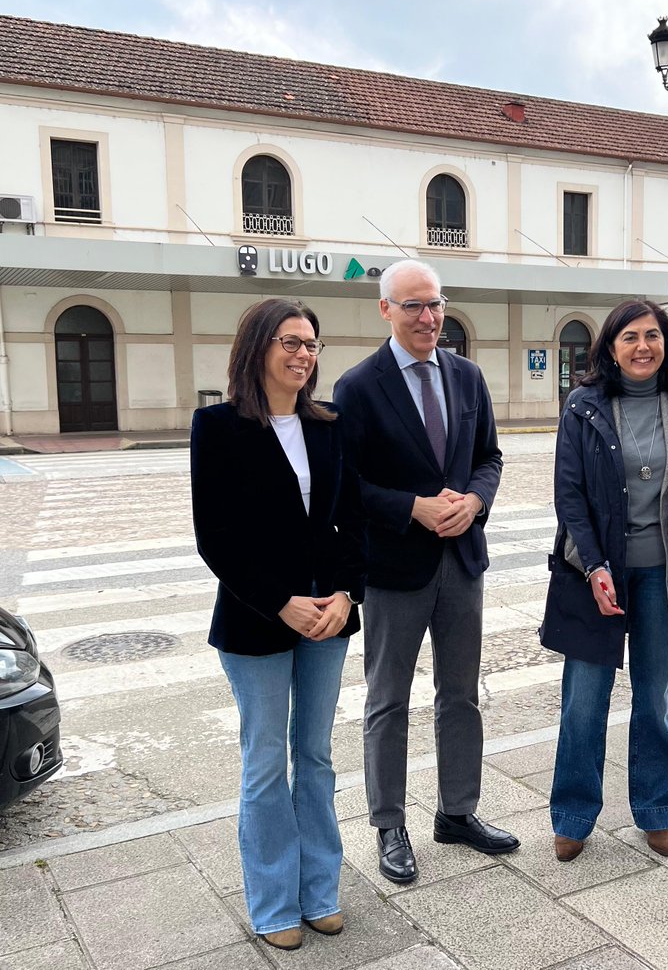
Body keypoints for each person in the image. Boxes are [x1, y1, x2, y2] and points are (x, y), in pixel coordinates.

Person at [332, 259, 517, 885]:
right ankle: (388, 825)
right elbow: (346, 487)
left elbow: (489, 456)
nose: (427, 317)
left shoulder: (466, 377)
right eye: (412, 305)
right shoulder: (358, 387)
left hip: (462, 565)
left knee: (461, 696)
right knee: (388, 701)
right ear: (385, 309)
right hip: (394, 568)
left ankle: (457, 812)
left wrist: (476, 500)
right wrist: (410, 507)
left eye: (434, 303)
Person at [191, 298, 364, 951]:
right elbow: (217, 538)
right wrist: (280, 601)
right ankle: (273, 902)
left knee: (315, 757)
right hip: (256, 619)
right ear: (258, 346)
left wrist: (347, 592)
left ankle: (320, 889)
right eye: (290, 341)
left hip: (328, 617)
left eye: (312, 344)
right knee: (266, 763)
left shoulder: (329, 424)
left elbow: (352, 520)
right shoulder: (218, 426)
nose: (303, 354)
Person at [541, 299, 668, 862]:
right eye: (630, 337)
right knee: (584, 700)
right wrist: (596, 566)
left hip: (664, 577)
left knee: (656, 697)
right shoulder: (583, 407)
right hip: (591, 572)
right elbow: (569, 496)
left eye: (652, 336)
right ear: (611, 347)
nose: (642, 346)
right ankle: (573, 816)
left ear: (666, 345)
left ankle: (656, 809)